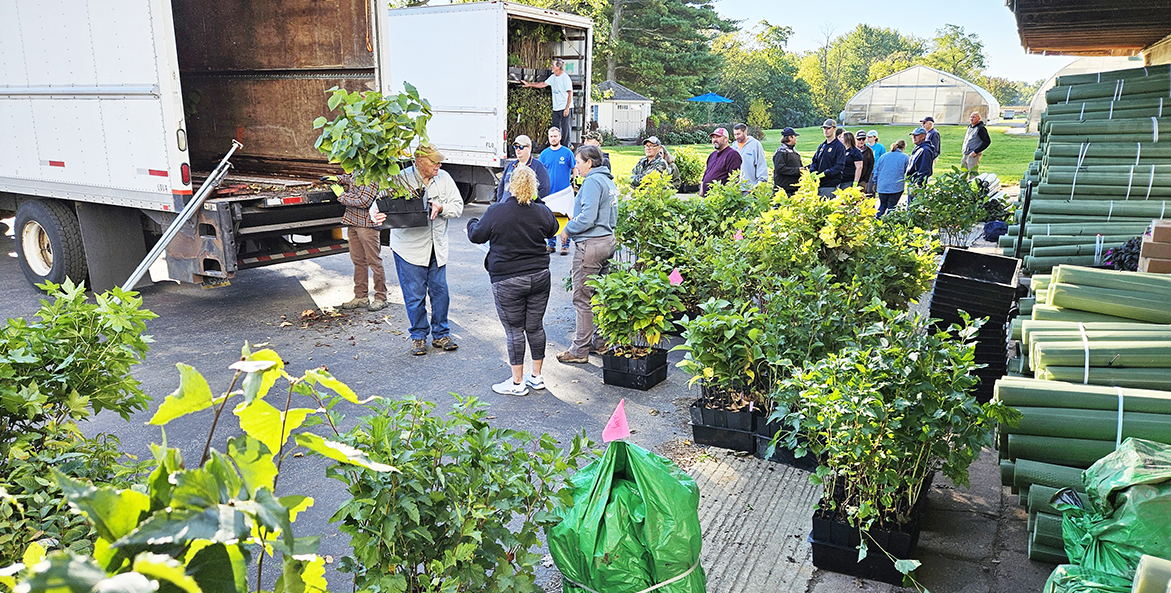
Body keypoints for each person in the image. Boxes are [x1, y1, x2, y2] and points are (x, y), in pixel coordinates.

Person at [466, 166, 559, 396]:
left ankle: (517, 383)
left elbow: (477, 235)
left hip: (507, 279)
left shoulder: (497, 211)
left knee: (514, 330)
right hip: (539, 276)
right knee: (535, 327)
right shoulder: (541, 211)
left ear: (510, 185)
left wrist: (471, 223)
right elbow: (554, 229)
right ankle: (536, 377)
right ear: (534, 186)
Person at [373, 144, 465, 356]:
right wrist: (375, 215)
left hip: (437, 247)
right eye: (434, 161)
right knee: (414, 296)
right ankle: (418, 336)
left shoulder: (444, 178)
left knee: (440, 292)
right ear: (420, 162)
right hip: (409, 249)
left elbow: (458, 206)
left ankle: (441, 334)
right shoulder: (400, 178)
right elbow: (378, 205)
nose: (439, 165)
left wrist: (441, 207)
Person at [557, 145, 618, 364]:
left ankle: (579, 350)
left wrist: (567, 230)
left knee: (582, 298)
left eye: (579, 161)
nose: (576, 166)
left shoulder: (592, 181)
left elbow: (587, 217)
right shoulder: (607, 180)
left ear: (589, 163)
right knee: (598, 296)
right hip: (607, 241)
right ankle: (600, 342)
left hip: (591, 245)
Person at [333, 173, 388, 312]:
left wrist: (342, 196)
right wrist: (337, 179)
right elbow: (351, 178)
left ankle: (381, 297)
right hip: (353, 222)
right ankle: (360, 297)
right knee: (358, 261)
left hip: (367, 225)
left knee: (374, 262)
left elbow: (364, 201)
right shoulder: (357, 169)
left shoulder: (371, 173)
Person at [539, 127, 575, 255]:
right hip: (550, 194)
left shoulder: (567, 153)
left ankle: (565, 245)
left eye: (555, 136)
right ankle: (551, 244)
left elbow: (574, 167)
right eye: (551, 136)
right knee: (550, 219)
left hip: (564, 193)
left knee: (565, 219)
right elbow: (540, 172)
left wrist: (573, 181)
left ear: (560, 137)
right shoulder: (544, 154)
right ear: (548, 138)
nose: (553, 138)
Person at [523, 58, 574, 143]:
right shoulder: (553, 77)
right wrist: (529, 84)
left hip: (565, 107)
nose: (551, 67)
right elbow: (543, 84)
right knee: (555, 128)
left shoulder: (565, 78)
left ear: (558, 67)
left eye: (553, 65)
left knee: (565, 129)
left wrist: (567, 108)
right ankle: (555, 145)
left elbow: (570, 93)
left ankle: (566, 147)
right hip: (556, 108)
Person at [496, 135, 550, 204]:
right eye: (516, 147)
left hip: (525, 209)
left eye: (521, 147)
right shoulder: (510, 166)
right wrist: (500, 201)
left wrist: (534, 206)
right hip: (506, 206)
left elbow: (545, 189)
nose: (518, 149)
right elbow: (502, 186)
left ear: (529, 148)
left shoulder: (539, 167)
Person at [809, 119, 847, 197]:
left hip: (830, 184)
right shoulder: (822, 145)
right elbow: (815, 160)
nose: (826, 130)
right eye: (824, 128)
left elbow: (839, 166)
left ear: (834, 129)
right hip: (818, 184)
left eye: (828, 128)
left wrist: (825, 173)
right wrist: (812, 170)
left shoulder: (839, 146)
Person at [700, 127, 743, 195]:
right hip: (707, 199)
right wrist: (701, 194)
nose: (715, 140)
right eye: (713, 137)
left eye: (718, 137)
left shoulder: (732, 155)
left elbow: (734, 180)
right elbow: (705, 176)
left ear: (726, 139)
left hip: (719, 200)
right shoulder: (712, 155)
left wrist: (724, 198)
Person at [872, 139, 910, 217]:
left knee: (882, 205)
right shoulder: (905, 157)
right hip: (896, 187)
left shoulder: (883, 157)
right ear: (903, 147)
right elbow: (908, 172)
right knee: (891, 207)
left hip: (882, 186)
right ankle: (888, 223)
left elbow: (877, 171)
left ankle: (877, 220)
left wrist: (875, 183)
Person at [732, 123, 768, 188]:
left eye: (738, 134)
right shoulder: (734, 146)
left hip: (750, 187)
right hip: (737, 189)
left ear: (745, 132)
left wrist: (759, 184)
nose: (736, 137)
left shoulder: (755, 145)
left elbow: (761, 164)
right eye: (735, 134)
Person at [906, 127, 936, 201]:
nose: (913, 137)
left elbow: (924, 170)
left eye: (916, 135)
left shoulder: (925, 150)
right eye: (913, 135)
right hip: (912, 182)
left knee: (913, 208)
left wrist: (918, 185)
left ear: (923, 136)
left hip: (916, 185)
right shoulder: (919, 148)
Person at [772, 127, 802, 196]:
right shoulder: (781, 152)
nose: (796, 138)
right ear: (790, 138)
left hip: (794, 190)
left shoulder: (795, 152)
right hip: (783, 191)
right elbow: (780, 169)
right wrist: (798, 170)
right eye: (795, 136)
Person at [855, 130, 875, 195]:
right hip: (851, 179)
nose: (861, 141)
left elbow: (871, 165)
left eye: (863, 139)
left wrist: (866, 179)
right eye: (859, 139)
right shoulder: (852, 150)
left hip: (863, 180)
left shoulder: (869, 151)